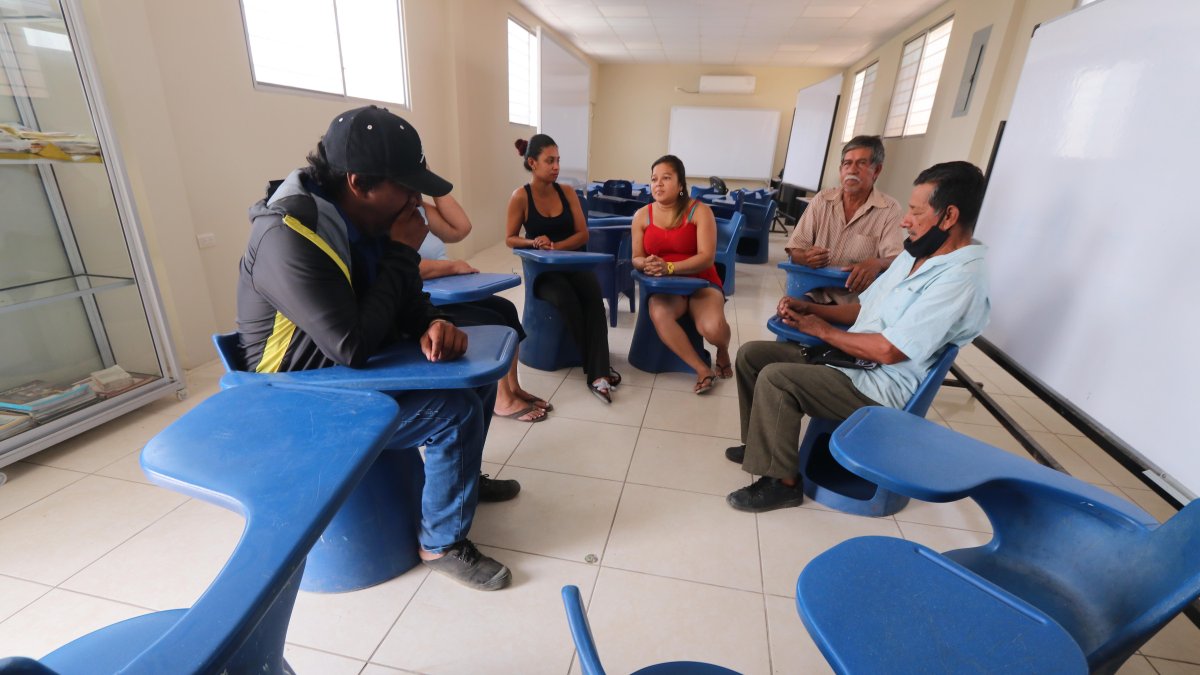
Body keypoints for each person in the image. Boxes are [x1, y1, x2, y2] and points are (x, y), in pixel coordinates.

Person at [236, 105, 516, 590]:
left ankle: (461, 478)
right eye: (405, 186)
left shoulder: (360, 219)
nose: (415, 198)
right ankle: (441, 544)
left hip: (343, 370)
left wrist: (434, 322)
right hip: (296, 396)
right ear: (359, 183)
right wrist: (404, 251)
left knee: (478, 378)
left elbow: (402, 300)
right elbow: (352, 345)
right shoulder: (289, 234)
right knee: (454, 411)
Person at [725, 161, 991, 513]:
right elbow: (864, 310)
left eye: (914, 211)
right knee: (752, 355)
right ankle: (760, 445)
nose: (905, 220)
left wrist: (822, 332)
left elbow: (889, 351)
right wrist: (813, 310)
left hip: (881, 385)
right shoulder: (917, 254)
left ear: (949, 216)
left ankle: (782, 483)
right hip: (855, 363)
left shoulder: (960, 278)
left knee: (777, 379)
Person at [505, 134, 620, 403]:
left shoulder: (567, 192)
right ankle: (597, 371)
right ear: (532, 163)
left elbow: (583, 234)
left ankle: (598, 373)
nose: (556, 166)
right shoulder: (520, 196)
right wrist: (533, 242)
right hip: (544, 274)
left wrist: (557, 247)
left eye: (558, 160)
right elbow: (510, 238)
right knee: (566, 298)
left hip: (574, 265)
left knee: (592, 297)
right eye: (549, 161)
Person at [415, 200, 553, 423]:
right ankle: (502, 398)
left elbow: (461, 228)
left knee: (505, 309)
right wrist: (453, 267)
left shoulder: (418, 205)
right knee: (491, 320)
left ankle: (513, 387)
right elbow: (404, 265)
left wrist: (433, 186)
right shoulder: (389, 211)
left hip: (448, 287)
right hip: (426, 299)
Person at [631, 154, 732, 394]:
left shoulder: (699, 211)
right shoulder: (642, 215)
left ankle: (723, 350)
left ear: (680, 184)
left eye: (666, 178)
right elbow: (636, 256)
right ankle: (701, 369)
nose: (658, 184)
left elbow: (706, 257)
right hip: (666, 289)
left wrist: (670, 267)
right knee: (659, 310)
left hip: (701, 283)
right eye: (654, 179)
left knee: (713, 328)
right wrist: (646, 263)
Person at [785, 135, 905, 304]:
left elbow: (897, 260)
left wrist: (877, 262)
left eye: (861, 163)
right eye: (847, 163)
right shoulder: (822, 200)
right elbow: (795, 250)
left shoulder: (890, 209)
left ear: (876, 171)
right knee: (788, 314)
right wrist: (806, 257)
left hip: (858, 301)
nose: (852, 170)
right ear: (841, 169)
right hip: (815, 291)